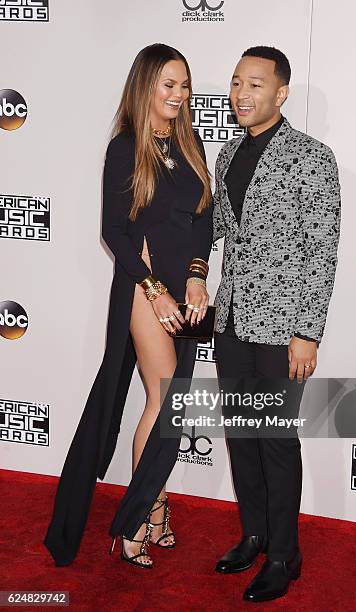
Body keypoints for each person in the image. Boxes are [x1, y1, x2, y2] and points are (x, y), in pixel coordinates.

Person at [44, 43, 213, 569]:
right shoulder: (125, 147)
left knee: (171, 405)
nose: (179, 95)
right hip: (144, 289)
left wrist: (196, 276)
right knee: (164, 403)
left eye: (184, 85)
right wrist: (155, 286)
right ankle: (137, 518)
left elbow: (204, 219)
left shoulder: (190, 143)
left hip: (187, 293)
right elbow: (113, 232)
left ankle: (155, 510)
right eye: (168, 84)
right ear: (145, 86)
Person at [212, 46, 341, 602]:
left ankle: (285, 555)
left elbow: (322, 250)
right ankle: (255, 534)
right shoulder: (225, 153)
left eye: (256, 84)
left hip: (283, 327)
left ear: (281, 92)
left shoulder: (313, 157)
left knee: (276, 441)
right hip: (233, 318)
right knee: (241, 436)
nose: (242, 94)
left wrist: (307, 332)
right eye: (237, 83)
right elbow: (217, 228)